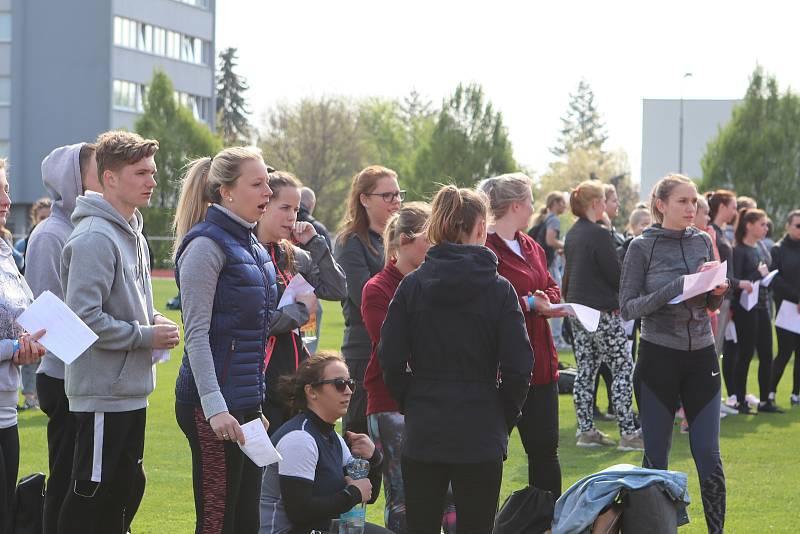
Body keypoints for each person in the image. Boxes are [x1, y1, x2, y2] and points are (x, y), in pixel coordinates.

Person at [378, 185, 533, 534]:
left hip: (430, 424)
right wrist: (501, 412)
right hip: (474, 425)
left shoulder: (414, 285)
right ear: (481, 228)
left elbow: (390, 357)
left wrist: (414, 400)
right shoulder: (497, 289)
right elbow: (519, 367)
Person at [58, 131, 180, 534]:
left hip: (130, 389)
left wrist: (155, 319)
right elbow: (84, 319)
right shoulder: (94, 237)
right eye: (141, 172)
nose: (152, 181)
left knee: (125, 490)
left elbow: (131, 306)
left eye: (153, 172)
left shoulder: (133, 233)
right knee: (92, 494)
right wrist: (146, 336)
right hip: (101, 394)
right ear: (109, 177)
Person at [172, 147, 277, 534]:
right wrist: (215, 408)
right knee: (217, 521)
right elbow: (196, 335)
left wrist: (254, 405)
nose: (268, 190)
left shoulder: (251, 244)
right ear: (226, 192)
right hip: (210, 407)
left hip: (244, 406)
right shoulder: (206, 245)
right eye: (257, 183)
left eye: (268, 181)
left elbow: (252, 333)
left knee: (246, 519)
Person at [620, 173, 728, 534]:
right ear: (661, 205)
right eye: (683, 201)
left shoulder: (703, 240)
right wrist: (675, 287)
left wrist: (716, 290)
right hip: (658, 358)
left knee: (709, 456)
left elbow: (710, 306)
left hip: (701, 356)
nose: (692, 207)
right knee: (656, 460)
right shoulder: (641, 246)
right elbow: (628, 308)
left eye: (694, 201)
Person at [362, 202, 456, 533]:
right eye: (429, 240)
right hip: (391, 402)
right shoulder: (378, 288)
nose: (435, 248)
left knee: (450, 496)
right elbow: (393, 346)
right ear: (404, 240)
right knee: (404, 498)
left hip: (437, 401)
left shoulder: (438, 283)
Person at [25, 142, 101, 534]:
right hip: (63, 375)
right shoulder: (51, 234)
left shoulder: (90, 225)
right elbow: (46, 310)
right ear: (72, 180)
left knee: (86, 480)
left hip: (86, 375)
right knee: (67, 480)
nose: (106, 177)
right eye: (95, 171)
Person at [480, 174, 567, 498]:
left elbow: (551, 284)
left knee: (545, 453)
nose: (534, 207)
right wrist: (529, 302)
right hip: (501, 371)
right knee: (488, 455)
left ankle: (545, 523)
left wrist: (548, 300)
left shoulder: (531, 244)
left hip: (541, 366)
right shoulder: (484, 247)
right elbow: (483, 301)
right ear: (516, 205)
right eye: (530, 201)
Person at [259, 351, 391, 534]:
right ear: (311, 391)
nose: (349, 391)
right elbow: (300, 512)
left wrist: (375, 460)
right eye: (339, 384)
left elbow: (367, 495)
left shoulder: (333, 437)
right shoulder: (300, 439)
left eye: (350, 383)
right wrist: (352, 494)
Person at [256, 171, 346, 434]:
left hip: (293, 379)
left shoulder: (291, 254)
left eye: (296, 209)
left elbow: (337, 288)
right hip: (261, 378)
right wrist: (301, 310)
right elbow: (261, 321)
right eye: (284, 207)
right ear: (263, 206)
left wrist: (315, 242)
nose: (292, 216)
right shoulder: (248, 254)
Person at [563, 180, 642, 450]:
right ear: (597, 203)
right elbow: (614, 273)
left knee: (586, 370)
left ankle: (586, 430)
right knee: (622, 367)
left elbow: (569, 275)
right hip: (600, 312)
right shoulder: (598, 233)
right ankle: (628, 434)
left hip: (577, 309)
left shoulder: (573, 233)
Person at [335, 165, 402, 435]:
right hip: (363, 353)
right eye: (388, 195)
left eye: (399, 194)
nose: (396, 201)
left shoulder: (400, 241)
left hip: (396, 348)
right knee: (361, 443)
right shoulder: (352, 241)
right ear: (364, 199)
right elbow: (364, 296)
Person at [0, 158, 47, 532]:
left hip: (6, 410)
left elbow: (28, 309)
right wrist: (14, 350)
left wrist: (36, 338)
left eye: (6, 188)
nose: (5, 199)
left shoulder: (5, 250)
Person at [732, 208, 782, 414]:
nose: (766, 228)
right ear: (749, 225)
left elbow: (764, 274)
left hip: (763, 305)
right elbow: (736, 280)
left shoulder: (761, 247)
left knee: (766, 354)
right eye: (762, 224)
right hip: (746, 308)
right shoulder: (739, 250)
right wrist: (757, 273)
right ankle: (740, 400)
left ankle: (764, 401)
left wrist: (765, 276)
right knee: (745, 354)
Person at [707, 190, 740, 412]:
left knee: (718, 349)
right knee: (712, 350)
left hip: (725, 296)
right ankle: (710, 400)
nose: (736, 211)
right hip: (717, 297)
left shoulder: (722, 232)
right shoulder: (713, 233)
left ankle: (715, 399)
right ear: (722, 207)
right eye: (733, 206)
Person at [529, 191, 568, 350]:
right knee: (557, 298)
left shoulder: (545, 218)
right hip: (549, 265)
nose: (565, 206)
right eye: (562, 203)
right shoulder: (554, 220)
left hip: (541, 263)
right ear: (555, 203)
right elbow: (550, 240)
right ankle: (557, 339)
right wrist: (567, 246)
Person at [769, 210, 800, 406]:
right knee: (785, 351)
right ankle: (770, 391)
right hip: (786, 307)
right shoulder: (777, 249)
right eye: (797, 225)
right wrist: (797, 298)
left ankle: (796, 393)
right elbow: (775, 278)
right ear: (787, 226)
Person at [298, 185, 333, 355]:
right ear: (312, 204)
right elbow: (330, 263)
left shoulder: (279, 221)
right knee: (308, 348)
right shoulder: (317, 228)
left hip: (286, 290)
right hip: (310, 293)